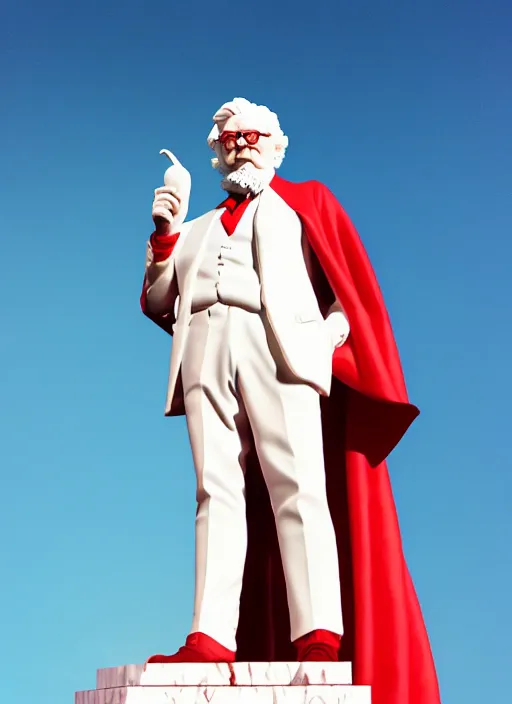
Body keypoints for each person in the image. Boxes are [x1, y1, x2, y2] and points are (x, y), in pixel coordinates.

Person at [140, 98, 440, 704]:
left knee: (298, 488)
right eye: (230, 137)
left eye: (254, 134)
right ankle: (210, 637)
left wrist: (324, 339)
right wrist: (165, 237)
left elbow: (347, 291)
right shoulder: (197, 228)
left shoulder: (304, 207)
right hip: (203, 346)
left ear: (277, 145)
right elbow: (158, 301)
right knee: (215, 494)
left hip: (278, 351)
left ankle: (318, 633)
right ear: (216, 149)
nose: (241, 144)